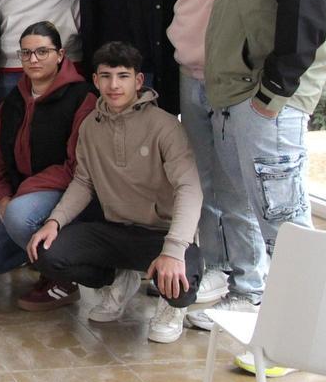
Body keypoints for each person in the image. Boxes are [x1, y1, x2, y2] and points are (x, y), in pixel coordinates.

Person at [162, 0, 318, 331]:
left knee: (247, 190)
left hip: (240, 83)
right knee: (207, 182)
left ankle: (259, 289)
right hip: (192, 77)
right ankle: (221, 269)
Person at [202, 0, 326, 375]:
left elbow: (307, 22)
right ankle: (273, 325)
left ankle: (294, 342)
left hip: (267, 106)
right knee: (263, 217)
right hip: (242, 99)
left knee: (286, 223)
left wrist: (270, 98)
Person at [27, 41, 203, 344]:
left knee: (181, 279)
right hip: (115, 231)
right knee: (46, 253)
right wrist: (54, 222)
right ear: (95, 81)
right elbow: (83, 182)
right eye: (105, 76)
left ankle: (170, 307)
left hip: (159, 234)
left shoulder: (164, 126)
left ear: (138, 81)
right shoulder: (89, 127)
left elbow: (189, 187)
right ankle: (120, 279)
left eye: (123, 76)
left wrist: (174, 249)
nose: (113, 85)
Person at [0, 22, 96, 309]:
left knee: (19, 215)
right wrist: (2, 196)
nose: (33, 59)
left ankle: (62, 276)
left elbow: (76, 167)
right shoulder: (13, 100)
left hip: (64, 195)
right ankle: (36, 250)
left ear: (60, 54)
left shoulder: (81, 97)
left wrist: (19, 197)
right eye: (26, 53)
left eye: (42, 52)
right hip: (20, 199)